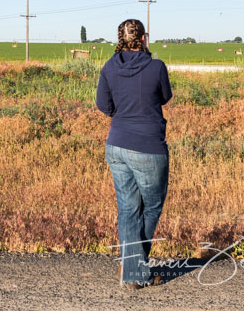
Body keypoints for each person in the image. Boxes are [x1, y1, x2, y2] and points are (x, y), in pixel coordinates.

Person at [96, 19, 172, 289]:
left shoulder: (109, 67)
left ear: (120, 38)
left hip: (116, 144)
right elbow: (165, 97)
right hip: (148, 146)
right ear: (143, 39)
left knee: (128, 209)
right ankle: (134, 270)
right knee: (151, 207)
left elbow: (103, 105)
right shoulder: (156, 66)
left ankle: (130, 269)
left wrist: (124, 113)